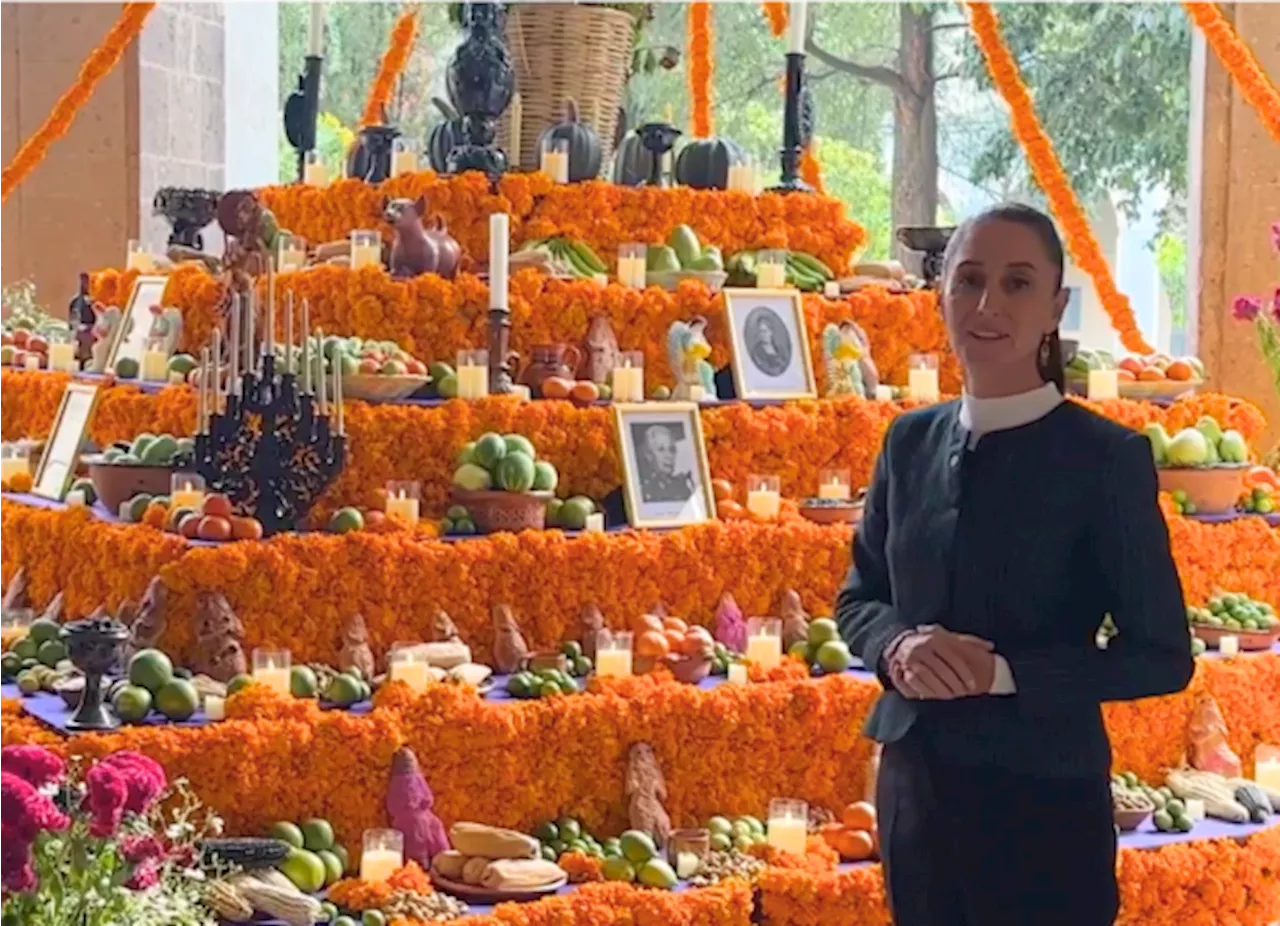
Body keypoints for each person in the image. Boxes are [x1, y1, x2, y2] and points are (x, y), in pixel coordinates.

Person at [835, 203, 1193, 926]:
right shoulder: (906, 443)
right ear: (941, 295)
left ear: (1056, 307)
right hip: (917, 795)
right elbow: (859, 599)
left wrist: (1003, 676)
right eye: (968, 280)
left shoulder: (1104, 460)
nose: (988, 304)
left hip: (1044, 807)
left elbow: (1162, 657)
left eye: (1017, 283)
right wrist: (898, 646)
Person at [637, 424, 694, 503]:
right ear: (649, 456)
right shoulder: (641, 490)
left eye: (672, 450)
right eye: (661, 449)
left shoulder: (683, 486)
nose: (669, 456)